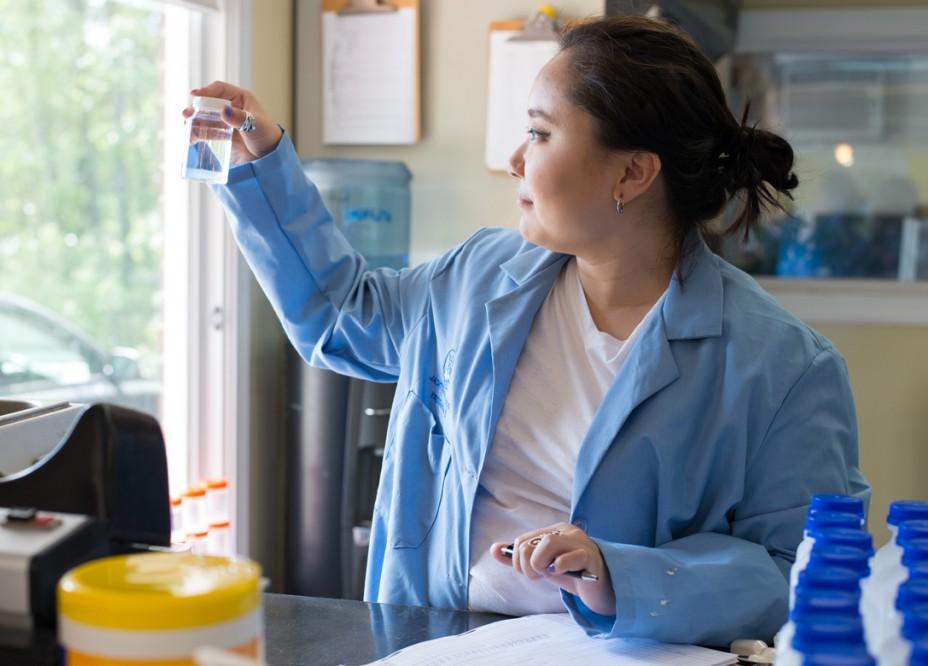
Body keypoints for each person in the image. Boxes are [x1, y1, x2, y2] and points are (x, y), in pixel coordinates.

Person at [186, 16, 869, 646]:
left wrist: (618, 574)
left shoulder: (785, 368)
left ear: (632, 172)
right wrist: (262, 161)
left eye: (540, 134)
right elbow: (341, 315)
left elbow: (797, 570)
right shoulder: (481, 276)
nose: (516, 158)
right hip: (436, 643)